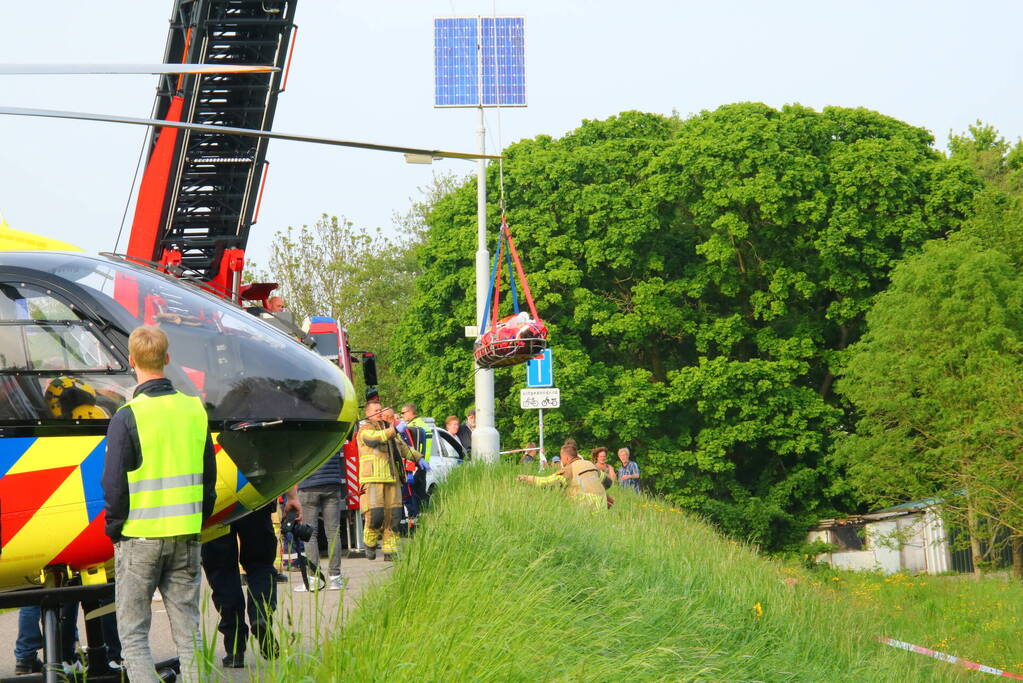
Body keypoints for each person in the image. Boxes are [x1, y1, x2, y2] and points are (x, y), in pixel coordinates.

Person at [102, 325, 217, 682]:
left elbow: (114, 483)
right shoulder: (195, 410)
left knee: (134, 635)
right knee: (190, 634)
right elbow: (208, 480)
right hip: (186, 535)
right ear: (167, 359)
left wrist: (114, 528)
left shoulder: (127, 416)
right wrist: (199, 521)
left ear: (131, 361)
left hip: (139, 538)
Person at [202, 488, 302, 667]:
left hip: (215, 501)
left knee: (222, 573)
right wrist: (292, 496)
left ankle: (234, 649)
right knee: (260, 565)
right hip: (253, 494)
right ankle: (260, 616)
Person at [358, 400, 418, 560]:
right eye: (376, 410)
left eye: (380, 410)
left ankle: (390, 550)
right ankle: (369, 543)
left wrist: (419, 459)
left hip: (392, 478)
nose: (379, 412)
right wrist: (394, 430)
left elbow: (402, 447)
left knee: (395, 515)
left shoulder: (387, 428)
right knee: (375, 515)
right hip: (372, 479)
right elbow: (374, 439)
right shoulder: (364, 429)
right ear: (368, 413)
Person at [294, 447, 345, 592]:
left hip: (308, 486)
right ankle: (335, 578)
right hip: (332, 484)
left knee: (310, 535)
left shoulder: (304, 433)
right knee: (333, 533)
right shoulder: (334, 428)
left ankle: (313, 579)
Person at [516, 444, 607, 510]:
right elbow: (608, 482)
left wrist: (526, 478)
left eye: (561, 458)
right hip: (602, 507)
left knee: (565, 491)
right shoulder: (590, 464)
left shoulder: (568, 469)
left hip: (587, 508)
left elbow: (547, 481)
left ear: (566, 458)